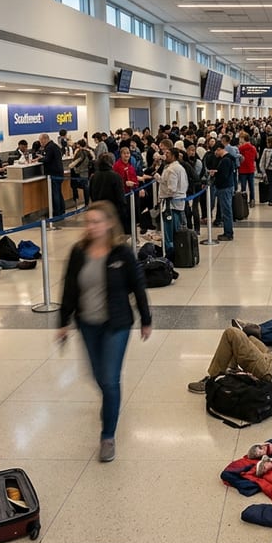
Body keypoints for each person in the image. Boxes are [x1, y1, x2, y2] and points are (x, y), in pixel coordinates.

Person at [58, 202, 152, 463]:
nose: (91, 226)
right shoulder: (79, 252)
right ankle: (110, 404)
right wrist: (62, 322)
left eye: (97, 221)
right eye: (88, 222)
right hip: (87, 323)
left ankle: (107, 435)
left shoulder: (121, 252)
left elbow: (138, 286)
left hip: (117, 323)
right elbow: (69, 288)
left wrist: (146, 319)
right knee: (98, 376)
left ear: (109, 223)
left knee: (110, 380)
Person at [156, 141, 188, 259]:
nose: (166, 156)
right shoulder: (179, 167)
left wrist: (165, 194)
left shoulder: (171, 170)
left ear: (173, 156)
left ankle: (170, 253)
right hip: (178, 202)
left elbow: (172, 189)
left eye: (168, 154)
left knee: (169, 231)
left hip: (171, 203)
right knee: (176, 228)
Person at [38, 133, 66, 222]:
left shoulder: (49, 147)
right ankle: (61, 211)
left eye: (40, 140)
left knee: (55, 194)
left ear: (44, 139)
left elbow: (47, 159)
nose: (40, 143)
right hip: (59, 172)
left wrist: (39, 159)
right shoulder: (55, 146)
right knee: (58, 192)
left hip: (53, 173)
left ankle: (57, 213)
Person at [211, 143, 236, 241]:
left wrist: (215, 175)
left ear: (219, 149)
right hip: (227, 186)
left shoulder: (225, 160)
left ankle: (228, 233)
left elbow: (224, 175)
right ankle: (227, 231)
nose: (215, 153)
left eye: (216, 151)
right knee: (226, 210)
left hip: (224, 188)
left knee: (226, 211)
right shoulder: (229, 159)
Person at [68, 138, 93, 206]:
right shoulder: (89, 152)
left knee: (79, 187)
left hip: (79, 173)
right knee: (86, 188)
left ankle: (79, 202)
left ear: (79, 145)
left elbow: (75, 162)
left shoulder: (80, 152)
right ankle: (87, 203)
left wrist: (70, 166)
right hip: (87, 172)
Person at [237, 131, 258, 207]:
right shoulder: (253, 147)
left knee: (243, 187)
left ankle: (243, 201)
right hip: (251, 168)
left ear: (243, 138)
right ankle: (252, 200)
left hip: (243, 169)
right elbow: (256, 156)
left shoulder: (240, 148)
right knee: (251, 186)